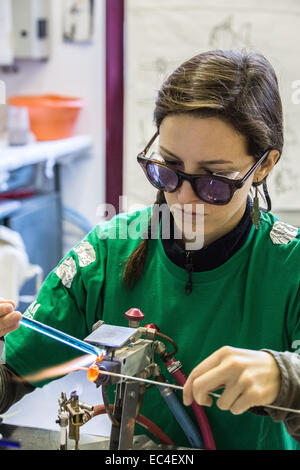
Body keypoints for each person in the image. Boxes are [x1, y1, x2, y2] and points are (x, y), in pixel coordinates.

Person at [1, 49, 300, 450]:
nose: (184, 201)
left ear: (263, 166)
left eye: (215, 182)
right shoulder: (107, 254)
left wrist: (287, 380)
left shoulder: (289, 267)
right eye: (169, 171)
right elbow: (13, 374)